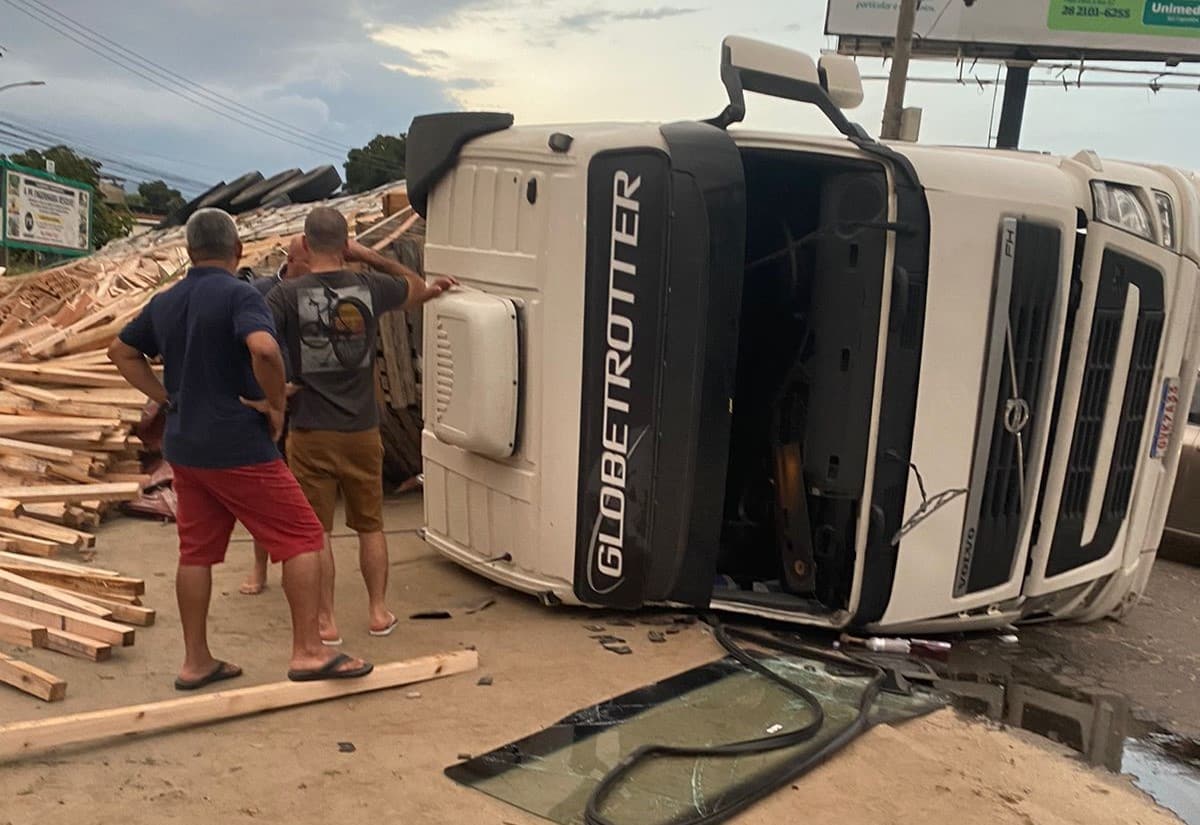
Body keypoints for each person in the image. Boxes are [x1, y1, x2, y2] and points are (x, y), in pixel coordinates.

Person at [108, 208, 373, 688]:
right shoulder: (239, 295)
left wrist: (165, 396)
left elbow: (121, 351)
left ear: (189, 252)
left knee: (196, 553)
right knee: (304, 537)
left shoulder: (166, 301)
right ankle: (309, 652)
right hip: (236, 441)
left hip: (185, 445)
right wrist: (275, 405)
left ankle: (196, 661)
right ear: (236, 251)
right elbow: (265, 350)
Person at [267, 206, 455, 643]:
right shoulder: (369, 286)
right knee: (370, 525)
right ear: (347, 242)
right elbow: (418, 289)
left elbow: (256, 342)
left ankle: (327, 621)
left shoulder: (286, 295)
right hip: (362, 429)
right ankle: (377, 611)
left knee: (317, 532)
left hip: (311, 428)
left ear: (307, 245)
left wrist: (277, 393)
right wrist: (369, 256)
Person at [239, 235, 310, 597]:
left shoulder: (321, 291)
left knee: (303, 492)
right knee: (263, 492)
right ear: (294, 259)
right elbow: (254, 350)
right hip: (267, 404)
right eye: (308, 265)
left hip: (310, 403)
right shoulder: (260, 292)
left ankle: (301, 568)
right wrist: (271, 394)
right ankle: (259, 566)